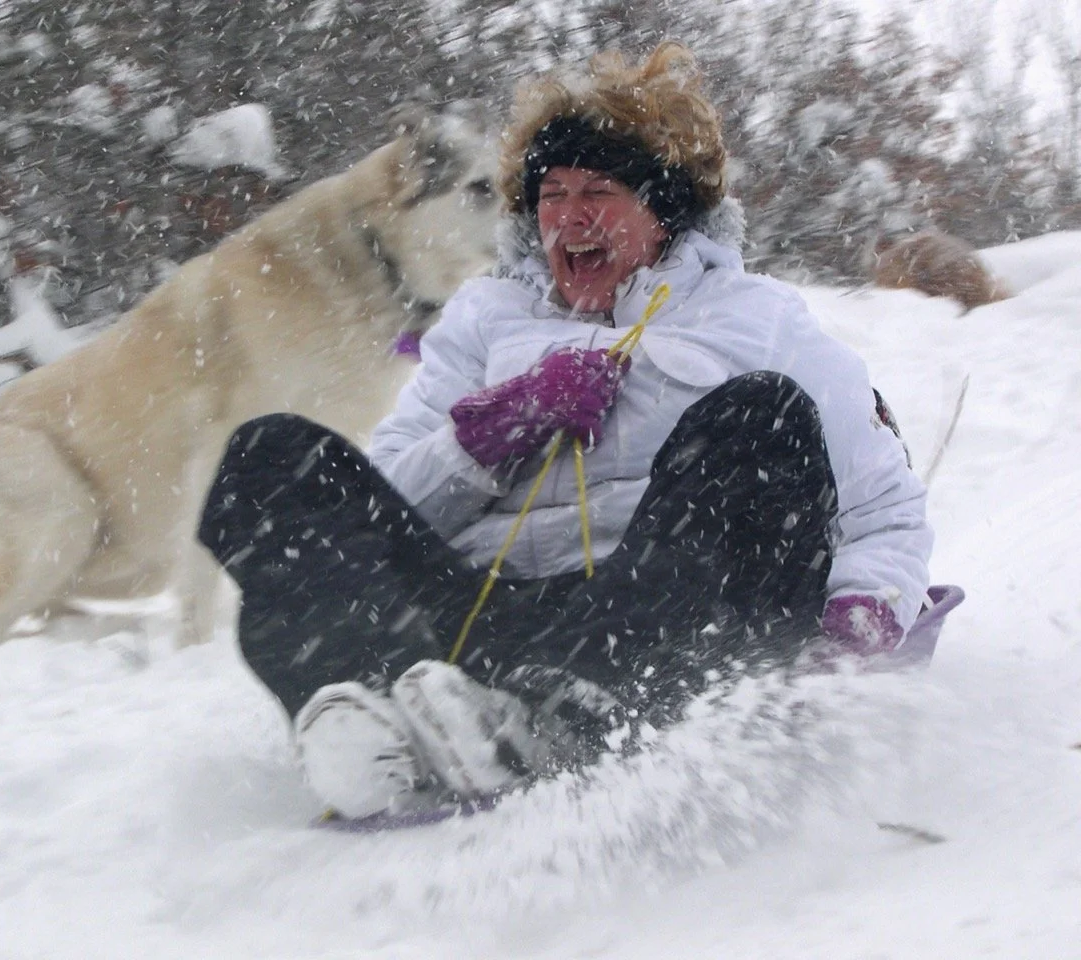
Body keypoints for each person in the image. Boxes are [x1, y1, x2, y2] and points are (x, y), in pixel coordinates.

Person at [197, 42, 932, 819]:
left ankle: (581, 716)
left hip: (644, 627)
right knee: (271, 456)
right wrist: (486, 438)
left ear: (665, 209)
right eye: (552, 193)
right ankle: (362, 716)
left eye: (601, 191)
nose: (571, 216)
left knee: (763, 414)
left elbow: (883, 512)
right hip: (471, 625)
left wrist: (856, 628)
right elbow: (384, 513)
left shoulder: (755, 320)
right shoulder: (485, 319)